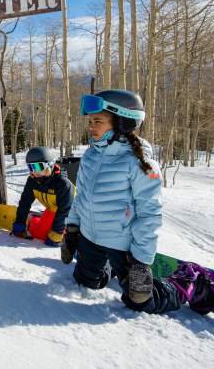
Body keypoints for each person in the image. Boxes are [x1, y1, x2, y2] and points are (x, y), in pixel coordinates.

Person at [60, 89, 212, 315]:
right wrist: (72, 229)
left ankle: (191, 282)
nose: (91, 126)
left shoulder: (140, 164)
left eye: (98, 121)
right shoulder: (91, 156)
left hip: (123, 244)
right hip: (91, 236)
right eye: (90, 121)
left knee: (140, 301)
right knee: (87, 282)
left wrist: (140, 262)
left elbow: (149, 216)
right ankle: (109, 268)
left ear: (121, 122)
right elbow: (81, 197)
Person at [11, 146, 74, 247]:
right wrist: (19, 224)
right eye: (31, 167)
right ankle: (34, 219)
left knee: (51, 237)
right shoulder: (32, 181)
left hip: (74, 216)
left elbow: (65, 212)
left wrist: (56, 235)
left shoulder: (63, 184)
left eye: (38, 167)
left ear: (50, 165)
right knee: (38, 233)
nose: (34, 171)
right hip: (52, 211)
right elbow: (25, 203)